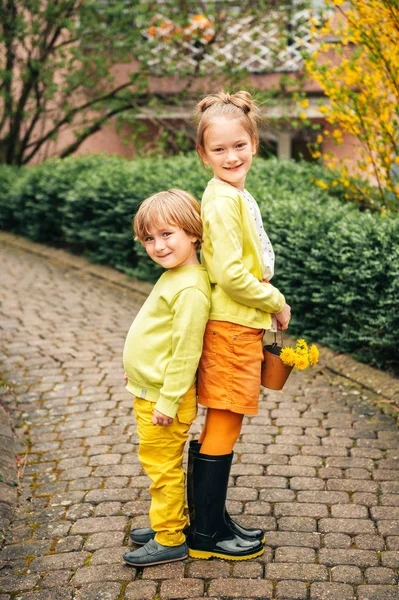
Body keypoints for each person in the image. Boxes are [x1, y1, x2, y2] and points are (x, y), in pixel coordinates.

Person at [186, 90, 291, 561]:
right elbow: (229, 273)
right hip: (230, 328)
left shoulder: (233, 193)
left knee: (221, 426)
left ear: (254, 143)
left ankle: (211, 519)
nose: (231, 156)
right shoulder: (224, 201)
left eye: (239, 145)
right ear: (203, 153)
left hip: (237, 326)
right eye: (219, 149)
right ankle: (207, 536)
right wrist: (276, 300)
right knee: (224, 426)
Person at [122, 189, 211, 567]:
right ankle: (167, 523)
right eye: (149, 239)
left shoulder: (190, 287)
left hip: (164, 399)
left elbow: (186, 352)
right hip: (153, 393)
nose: (157, 246)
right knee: (158, 463)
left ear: (193, 232)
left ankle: (171, 536)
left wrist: (169, 401)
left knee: (162, 468)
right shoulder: (176, 275)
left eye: (166, 234)